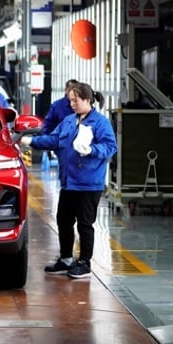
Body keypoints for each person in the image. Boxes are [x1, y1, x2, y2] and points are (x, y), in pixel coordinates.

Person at [21, 81, 116, 279]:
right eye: (70, 100)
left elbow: (110, 147)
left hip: (88, 183)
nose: (72, 104)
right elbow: (54, 140)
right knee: (63, 220)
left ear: (88, 100)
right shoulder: (69, 121)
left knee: (84, 223)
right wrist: (30, 141)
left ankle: (84, 263)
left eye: (76, 100)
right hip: (69, 181)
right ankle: (66, 259)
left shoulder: (100, 123)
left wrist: (92, 150)